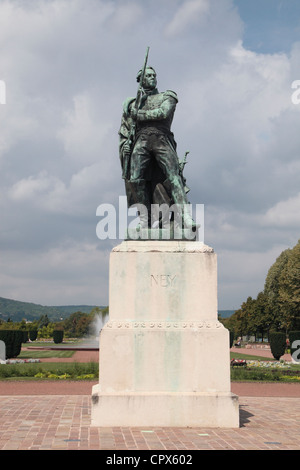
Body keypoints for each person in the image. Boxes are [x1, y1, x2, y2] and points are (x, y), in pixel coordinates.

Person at [119, 66, 197, 231]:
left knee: (174, 177)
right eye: (148, 76)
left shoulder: (167, 96)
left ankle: (187, 217)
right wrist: (127, 141)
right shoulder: (133, 103)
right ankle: (144, 220)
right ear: (141, 80)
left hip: (161, 139)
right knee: (135, 179)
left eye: (154, 75)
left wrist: (138, 114)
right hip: (142, 140)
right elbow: (127, 129)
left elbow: (163, 113)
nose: (152, 77)